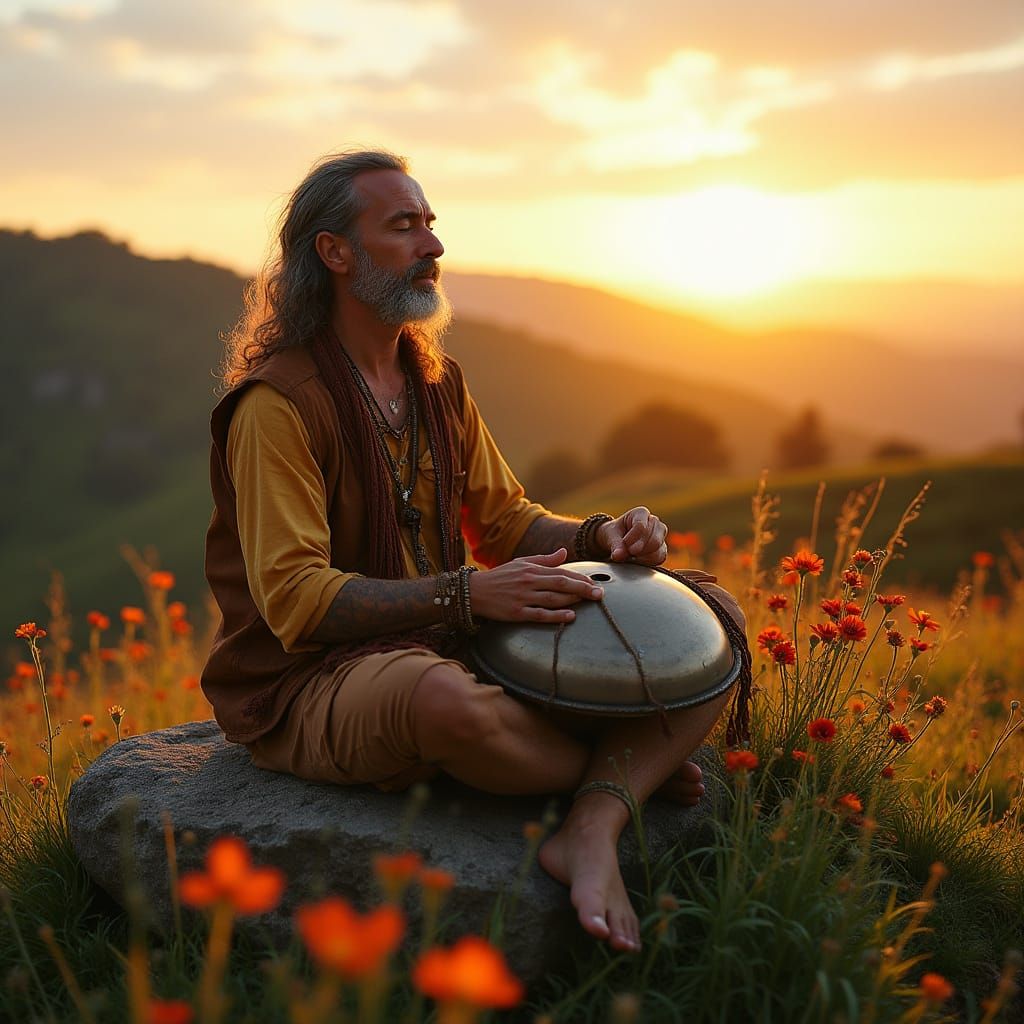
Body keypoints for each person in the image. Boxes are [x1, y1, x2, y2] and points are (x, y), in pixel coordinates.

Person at [202, 149, 748, 954]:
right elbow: (297, 602)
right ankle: (630, 772)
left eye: (430, 223)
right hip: (309, 681)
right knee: (441, 702)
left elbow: (508, 526)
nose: (433, 245)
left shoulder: (435, 382)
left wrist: (603, 538)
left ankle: (591, 822)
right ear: (335, 252)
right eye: (404, 226)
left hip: (445, 641)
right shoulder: (277, 406)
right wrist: (465, 597)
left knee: (705, 614)